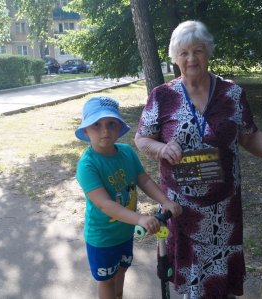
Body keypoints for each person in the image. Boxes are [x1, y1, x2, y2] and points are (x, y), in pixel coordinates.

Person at [135, 20, 262, 299]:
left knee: (221, 279)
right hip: (181, 208)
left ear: (208, 52)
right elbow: (142, 138)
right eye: (184, 52)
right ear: (175, 58)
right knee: (191, 279)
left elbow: (248, 134)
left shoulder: (231, 93)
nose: (192, 58)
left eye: (198, 51)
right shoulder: (162, 96)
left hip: (224, 208)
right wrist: (160, 149)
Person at [75, 96, 182, 299]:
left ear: (119, 127)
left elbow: (145, 181)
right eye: (96, 125)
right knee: (107, 280)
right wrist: (140, 218)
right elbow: (105, 204)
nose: (105, 131)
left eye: (111, 124)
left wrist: (165, 201)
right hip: (103, 237)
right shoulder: (87, 165)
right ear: (86, 131)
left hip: (125, 231)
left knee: (122, 271)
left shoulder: (126, 152)